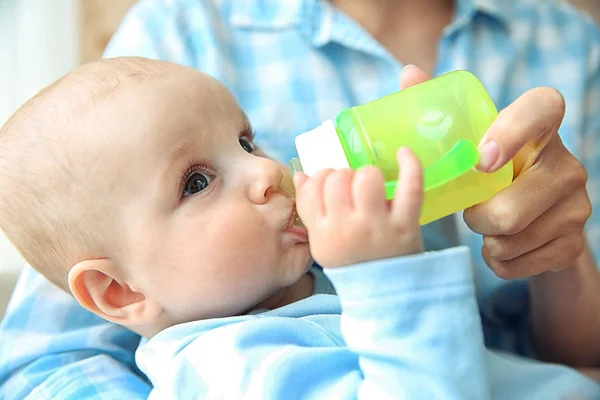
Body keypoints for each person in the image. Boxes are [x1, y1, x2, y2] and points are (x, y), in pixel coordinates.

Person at [0, 0, 599, 398]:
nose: (265, 172)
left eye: (245, 140)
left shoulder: (292, 303)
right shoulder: (232, 366)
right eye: (197, 182)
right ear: (120, 291)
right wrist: (388, 277)